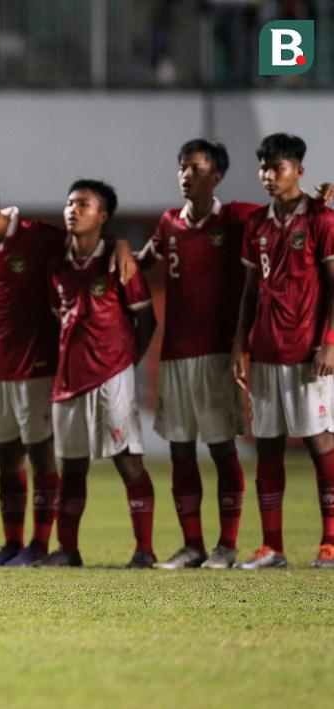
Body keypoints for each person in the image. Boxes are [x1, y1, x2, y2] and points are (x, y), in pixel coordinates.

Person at [0, 179, 137, 567]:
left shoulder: (39, 237)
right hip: (0, 367)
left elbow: (87, 245)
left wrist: (121, 244)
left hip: (40, 366)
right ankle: (11, 543)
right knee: (7, 457)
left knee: (41, 457)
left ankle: (39, 544)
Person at [136, 140, 254, 570]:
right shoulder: (169, 223)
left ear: (216, 176)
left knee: (222, 449)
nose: (186, 175)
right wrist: (116, 253)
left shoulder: (238, 217)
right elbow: (142, 261)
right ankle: (192, 546)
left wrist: (316, 206)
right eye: (182, 167)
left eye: (196, 168)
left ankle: (226, 546)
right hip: (173, 356)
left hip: (218, 354)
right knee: (180, 451)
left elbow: (281, 224)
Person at [44, 180, 158, 568]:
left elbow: (147, 318)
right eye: (70, 203)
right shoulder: (57, 264)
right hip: (68, 381)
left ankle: (144, 549)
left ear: (103, 216)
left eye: (84, 204)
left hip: (112, 377)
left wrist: (127, 363)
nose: (73, 210)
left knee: (128, 461)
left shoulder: (117, 261)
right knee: (72, 467)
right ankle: (68, 550)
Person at [233, 133, 334, 570]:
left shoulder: (322, 219)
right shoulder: (255, 223)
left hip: (309, 349)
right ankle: (272, 546)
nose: (269, 176)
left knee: (319, 441)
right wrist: (241, 344)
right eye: (264, 168)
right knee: (268, 445)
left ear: (299, 170)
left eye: (278, 168)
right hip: (267, 349)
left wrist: (331, 341)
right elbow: (250, 290)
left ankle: (331, 542)